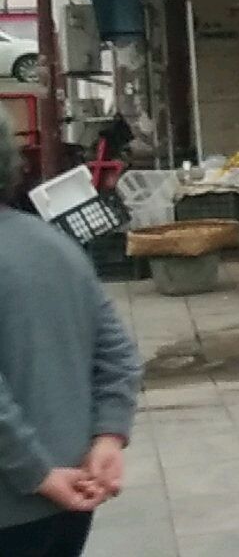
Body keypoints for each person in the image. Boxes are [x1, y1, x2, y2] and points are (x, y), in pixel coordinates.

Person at [0, 121, 144, 556]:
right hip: (73, 494)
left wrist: (36, 475)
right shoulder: (55, 245)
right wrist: (108, 437)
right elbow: (118, 352)